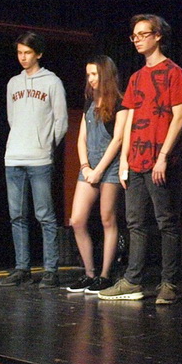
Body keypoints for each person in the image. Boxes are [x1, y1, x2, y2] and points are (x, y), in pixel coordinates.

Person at [99, 15, 182, 303]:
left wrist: (163, 156)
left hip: (159, 159)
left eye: (142, 34)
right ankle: (133, 280)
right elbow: (129, 120)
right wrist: (124, 160)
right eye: (134, 35)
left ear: (158, 36)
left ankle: (169, 283)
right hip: (136, 159)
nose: (137, 39)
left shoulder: (173, 72)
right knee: (135, 223)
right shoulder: (136, 77)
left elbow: (180, 117)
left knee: (165, 222)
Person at [0, 31, 68, 288]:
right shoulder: (13, 83)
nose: (23, 57)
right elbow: (12, 118)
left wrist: (46, 146)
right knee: (17, 216)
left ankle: (50, 270)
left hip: (39, 159)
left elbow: (61, 121)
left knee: (44, 216)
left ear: (38, 53)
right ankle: (22, 268)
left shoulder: (52, 82)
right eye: (19, 53)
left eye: (27, 52)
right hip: (13, 157)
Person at [65, 56, 127, 294]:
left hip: (109, 166)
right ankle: (89, 273)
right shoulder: (89, 103)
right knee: (77, 220)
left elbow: (118, 140)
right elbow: (82, 138)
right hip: (89, 167)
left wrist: (100, 170)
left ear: (105, 75)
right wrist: (85, 167)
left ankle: (105, 275)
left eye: (94, 74)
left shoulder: (120, 103)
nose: (90, 79)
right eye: (88, 75)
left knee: (107, 219)